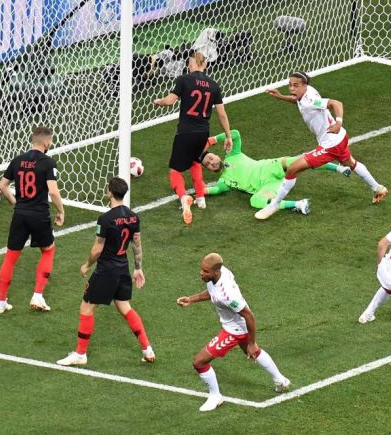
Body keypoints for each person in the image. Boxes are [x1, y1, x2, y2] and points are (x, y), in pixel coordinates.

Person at [255, 71, 388, 220]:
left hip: (330, 144)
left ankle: (274, 205)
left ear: (305, 85)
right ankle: (378, 188)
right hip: (340, 137)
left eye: (296, 86)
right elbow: (298, 101)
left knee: (293, 169)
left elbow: (336, 103)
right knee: (350, 162)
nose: (292, 89)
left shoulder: (311, 99)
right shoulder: (304, 94)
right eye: (290, 85)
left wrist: (338, 122)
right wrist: (280, 96)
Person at [57, 177, 155, 366]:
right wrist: (138, 268)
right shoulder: (134, 217)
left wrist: (87, 264)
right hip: (122, 269)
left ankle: (80, 354)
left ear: (110, 192)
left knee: (86, 308)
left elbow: (97, 249)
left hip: (106, 271)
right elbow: (137, 244)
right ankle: (147, 348)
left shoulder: (106, 219)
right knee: (125, 307)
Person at [176, 253, 290, 412]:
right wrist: (192, 299)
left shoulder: (228, 294)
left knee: (199, 362)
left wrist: (251, 342)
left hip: (234, 330)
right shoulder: (218, 275)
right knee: (254, 352)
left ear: (215, 272)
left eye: (205, 271)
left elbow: (249, 316)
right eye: (201, 269)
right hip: (235, 326)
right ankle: (280, 380)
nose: (201, 273)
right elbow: (212, 293)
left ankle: (215, 396)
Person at [154, 51, 232, 225]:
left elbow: (169, 101)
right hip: (203, 132)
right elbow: (222, 114)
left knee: (175, 170)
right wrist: (228, 135)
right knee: (196, 162)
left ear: (190, 65)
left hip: (185, 132)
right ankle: (201, 198)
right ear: (205, 64)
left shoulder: (184, 80)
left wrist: (158, 101)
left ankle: (184, 198)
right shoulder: (214, 85)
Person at [0, 126, 64, 314]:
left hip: (20, 214)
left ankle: (1, 302)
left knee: (10, 257)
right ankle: (38, 295)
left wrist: (16, 203)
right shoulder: (48, 163)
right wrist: (61, 211)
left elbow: (2, 186)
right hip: (39, 215)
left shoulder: (17, 160)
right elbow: (53, 191)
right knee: (48, 251)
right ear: (46, 142)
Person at [201, 129, 352, 214]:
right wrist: (199, 192)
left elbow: (235, 134)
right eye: (208, 164)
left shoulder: (232, 154)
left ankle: (339, 167)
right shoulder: (224, 182)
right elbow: (213, 190)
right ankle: (298, 204)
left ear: (216, 155)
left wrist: (212, 140)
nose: (211, 162)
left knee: (300, 161)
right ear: (209, 169)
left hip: (270, 166)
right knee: (255, 201)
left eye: (211, 158)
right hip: (268, 186)